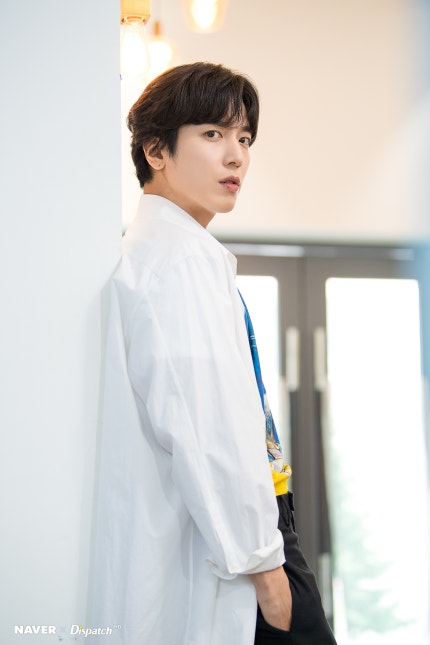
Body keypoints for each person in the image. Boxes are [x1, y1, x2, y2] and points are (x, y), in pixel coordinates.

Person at [92, 62, 337, 645]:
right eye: (212, 134)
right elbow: (207, 427)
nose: (236, 157)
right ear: (156, 150)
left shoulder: (167, 253)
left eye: (244, 138)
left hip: (239, 536)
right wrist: (266, 567)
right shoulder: (179, 261)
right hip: (248, 546)